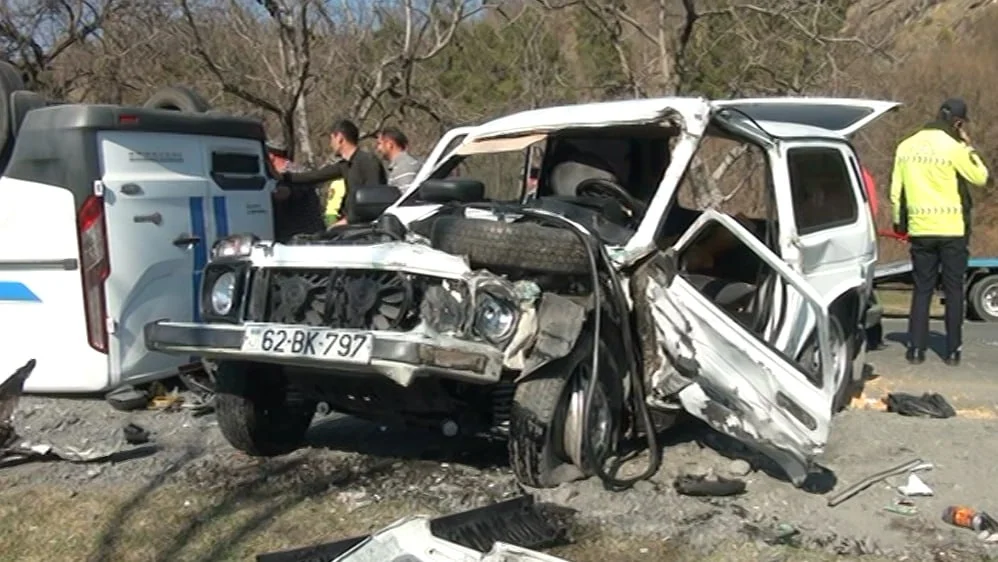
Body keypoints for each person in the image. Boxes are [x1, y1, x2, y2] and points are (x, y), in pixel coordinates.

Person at [890, 98, 989, 366]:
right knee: (954, 289)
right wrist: (968, 147)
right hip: (952, 228)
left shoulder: (906, 146)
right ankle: (953, 350)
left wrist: (900, 223)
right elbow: (981, 177)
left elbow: (896, 191)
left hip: (921, 228)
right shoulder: (954, 147)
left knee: (922, 289)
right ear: (957, 122)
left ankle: (915, 349)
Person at [278, 119, 387, 225]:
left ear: (340, 138)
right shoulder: (344, 165)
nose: (331, 144)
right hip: (351, 223)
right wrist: (279, 177)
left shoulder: (368, 161)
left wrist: (347, 221)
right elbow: (314, 176)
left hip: (366, 227)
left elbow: (373, 201)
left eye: (332, 139)